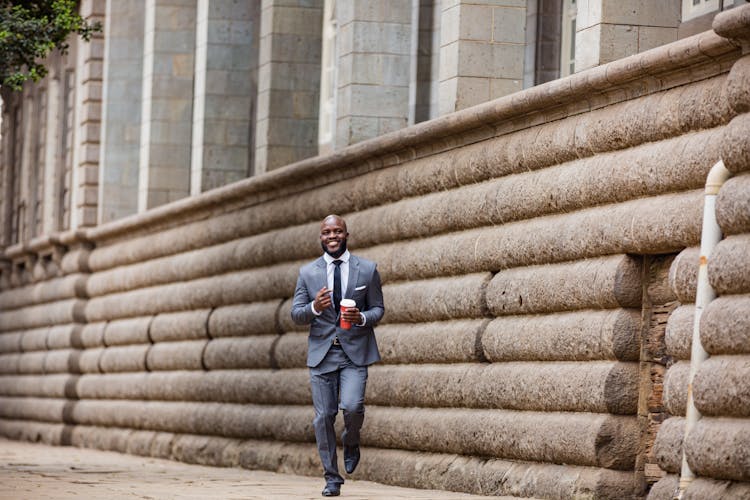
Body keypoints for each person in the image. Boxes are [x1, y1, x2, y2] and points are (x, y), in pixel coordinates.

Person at [291, 214, 385, 497]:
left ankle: (352, 439)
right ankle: (332, 478)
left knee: (353, 407)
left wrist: (361, 319)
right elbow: (296, 314)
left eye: (337, 232)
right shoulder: (307, 273)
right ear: (321, 237)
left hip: (354, 353)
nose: (332, 236)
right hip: (321, 355)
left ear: (346, 234)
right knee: (323, 418)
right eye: (326, 232)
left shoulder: (367, 270)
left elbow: (378, 309)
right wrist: (315, 308)